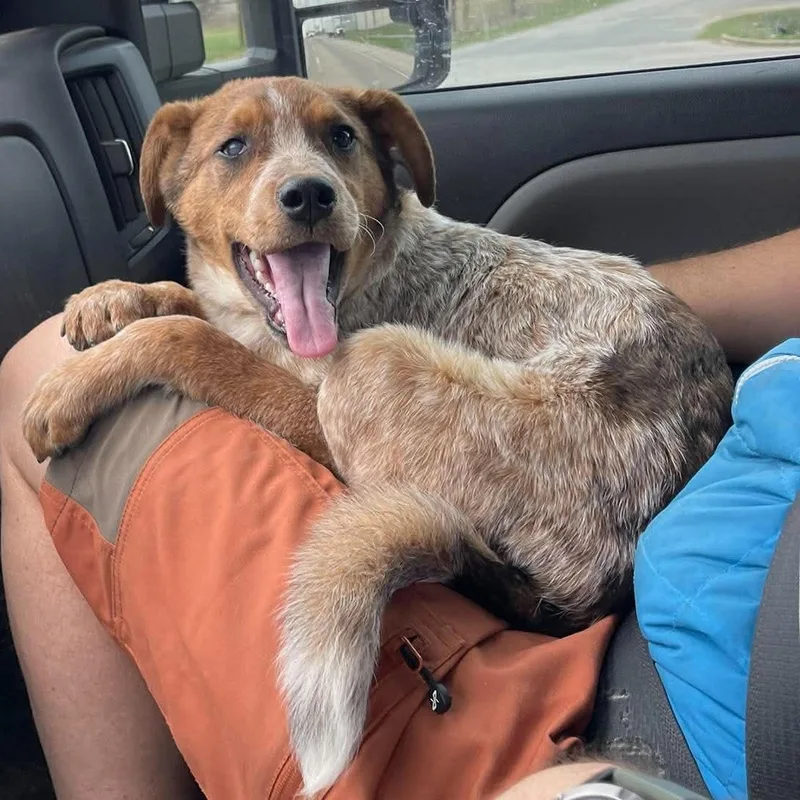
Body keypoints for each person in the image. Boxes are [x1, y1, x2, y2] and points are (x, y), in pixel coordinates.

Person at [2, 227, 800, 799]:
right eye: (235, 149)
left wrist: (596, 788)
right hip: (646, 593)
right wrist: (574, 299)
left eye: (341, 141)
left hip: (650, 724)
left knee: (41, 371)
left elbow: (327, 414)